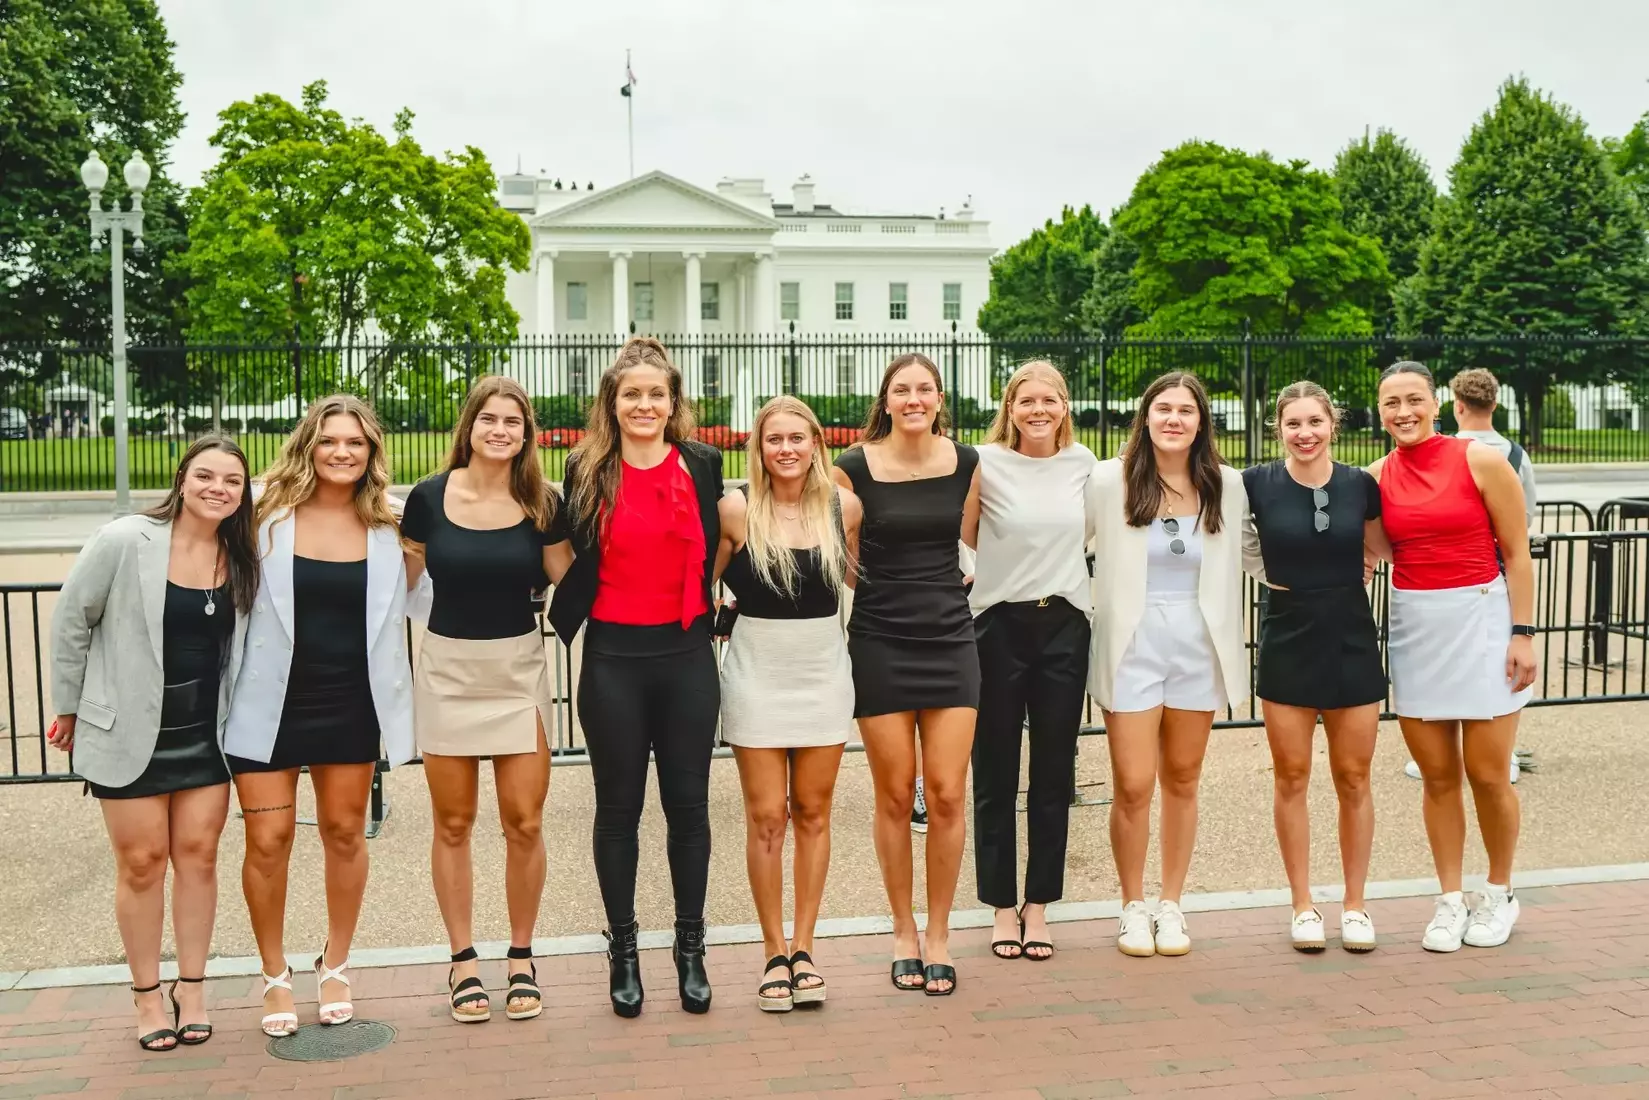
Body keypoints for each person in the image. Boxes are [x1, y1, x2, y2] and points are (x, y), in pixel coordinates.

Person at [49, 437, 259, 1051]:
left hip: (205, 738)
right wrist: (68, 706)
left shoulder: (241, 555)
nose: (218, 488)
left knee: (198, 857)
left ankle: (191, 990)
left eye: (232, 481)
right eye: (206, 476)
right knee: (142, 864)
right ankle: (146, 997)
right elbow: (71, 619)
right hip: (130, 733)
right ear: (182, 478)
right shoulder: (125, 540)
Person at [224, 396, 416, 1037]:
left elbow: (427, 600)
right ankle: (273, 972)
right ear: (309, 445)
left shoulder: (390, 525)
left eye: (355, 443)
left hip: (351, 704)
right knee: (268, 842)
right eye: (330, 440)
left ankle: (336, 962)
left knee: (343, 834)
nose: (342, 452)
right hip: (268, 705)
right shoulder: (261, 515)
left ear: (372, 453)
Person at [549, 336, 725, 1018]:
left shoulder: (702, 465)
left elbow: (723, 538)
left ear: (672, 402)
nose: (644, 404)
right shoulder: (587, 467)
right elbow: (559, 548)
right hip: (613, 659)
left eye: (656, 394)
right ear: (612, 404)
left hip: (685, 655)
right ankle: (622, 950)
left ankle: (690, 949)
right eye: (632, 395)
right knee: (617, 810)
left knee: (689, 810)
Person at [401, 376, 571, 1024]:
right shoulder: (426, 499)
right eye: (489, 419)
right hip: (446, 670)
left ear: (526, 434)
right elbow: (396, 586)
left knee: (523, 821)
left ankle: (522, 955)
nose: (500, 430)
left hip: (517, 669)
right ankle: (462, 959)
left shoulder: (543, 503)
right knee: (452, 823)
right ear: (468, 426)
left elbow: (569, 579)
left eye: (513, 422)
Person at [1369, 361, 1537, 953]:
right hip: (1417, 623)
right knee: (1437, 776)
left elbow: (1517, 553)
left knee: (1489, 772)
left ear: (1436, 402)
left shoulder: (1481, 460)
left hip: (1486, 620)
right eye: (1391, 402)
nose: (1403, 411)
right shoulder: (1374, 477)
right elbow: (1373, 549)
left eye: (1413, 399)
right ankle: (1448, 899)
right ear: (1379, 410)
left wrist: (1522, 632)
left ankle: (1499, 892)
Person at [1087, 371, 1254, 959]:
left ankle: (1171, 904)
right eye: (1163, 408)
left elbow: (1255, 551)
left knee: (1182, 778)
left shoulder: (1226, 486)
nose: (1174, 419)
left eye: (1186, 410)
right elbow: (1063, 540)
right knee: (1133, 784)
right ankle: (1132, 905)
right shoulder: (1110, 480)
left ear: (1201, 421)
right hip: (1133, 640)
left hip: (1197, 640)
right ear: (1146, 416)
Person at [830, 353, 981, 996]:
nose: (914, 398)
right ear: (885, 400)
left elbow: (971, 542)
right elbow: (844, 561)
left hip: (952, 639)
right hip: (881, 640)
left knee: (946, 793)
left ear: (939, 398)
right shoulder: (853, 467)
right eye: (902, 390)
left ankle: (941, 933)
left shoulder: (968, 463)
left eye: (924, 389)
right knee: (894, 796)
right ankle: (903, 931)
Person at [712, 396, 862, 1011]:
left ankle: (805, 949)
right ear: (760, 447)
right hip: (756, 676)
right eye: (775, 439)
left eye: (798, 438)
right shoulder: (737, 509)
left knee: (814, 811)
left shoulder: (842, 507)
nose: (787, 449)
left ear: (816, 444)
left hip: (824, 674)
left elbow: (864, 578)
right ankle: (773, 951)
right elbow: (698, 582)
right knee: (768, 817)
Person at [1242, 382, 1386, 952]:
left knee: (1354, 777)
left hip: (1350, 635)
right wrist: (1262, 571)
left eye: (1315, 422)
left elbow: (1382, 547)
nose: (1305, 433)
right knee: (1293, 775)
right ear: (1279, 428)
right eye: (1293, 423)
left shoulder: (1360, 485)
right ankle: (1302, 904)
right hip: (1288, 636)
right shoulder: (1254, 484)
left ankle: (1355, 905)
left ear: (1334, 424)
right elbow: (1227, 537)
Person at [965, 361, 1096, 963]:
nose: (1038, 410)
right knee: (994, 771)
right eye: (1027, 401)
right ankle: (999, 905)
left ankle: (1038, 905)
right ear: (1009, 408)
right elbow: (961, 539)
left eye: (1049, 400)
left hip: (1064, 625)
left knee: (1052, 775)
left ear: (1064, 406)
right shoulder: (984, 464)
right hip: (998, 627)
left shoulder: (1085, 465)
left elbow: (1095, 536)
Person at [1404, 367, 1537, 785]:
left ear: (1452, 406)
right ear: (1494, 404)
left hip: (1477, 580)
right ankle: (1500, 753)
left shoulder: (1470, 456)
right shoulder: (1516, 455)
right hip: (1494, 574)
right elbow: (1525, 520)